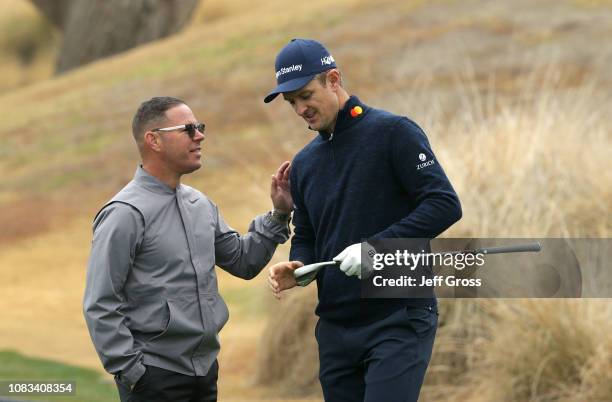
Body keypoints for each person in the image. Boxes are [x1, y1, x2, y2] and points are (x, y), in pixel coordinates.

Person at [265, 39, 462, 402]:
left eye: (306, 95)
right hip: (336, 327)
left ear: (334, 79)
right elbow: (307, 234)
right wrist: (301, 264)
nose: (300, 109)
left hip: (398, 314)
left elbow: (444, 204)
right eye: (292, 102)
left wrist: (376, 250)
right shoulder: (305, 163)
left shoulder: (393, 132)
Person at [83, 96, 293, 402]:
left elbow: (243, 262)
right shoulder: (124, 213)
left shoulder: (200, 204)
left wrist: (279, 214)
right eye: (188, 129)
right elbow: (100, 302)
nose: (200, 135)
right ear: (153, 140)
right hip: (152, 379)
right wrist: (132, 372)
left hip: (205, 372)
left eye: (200, 127)